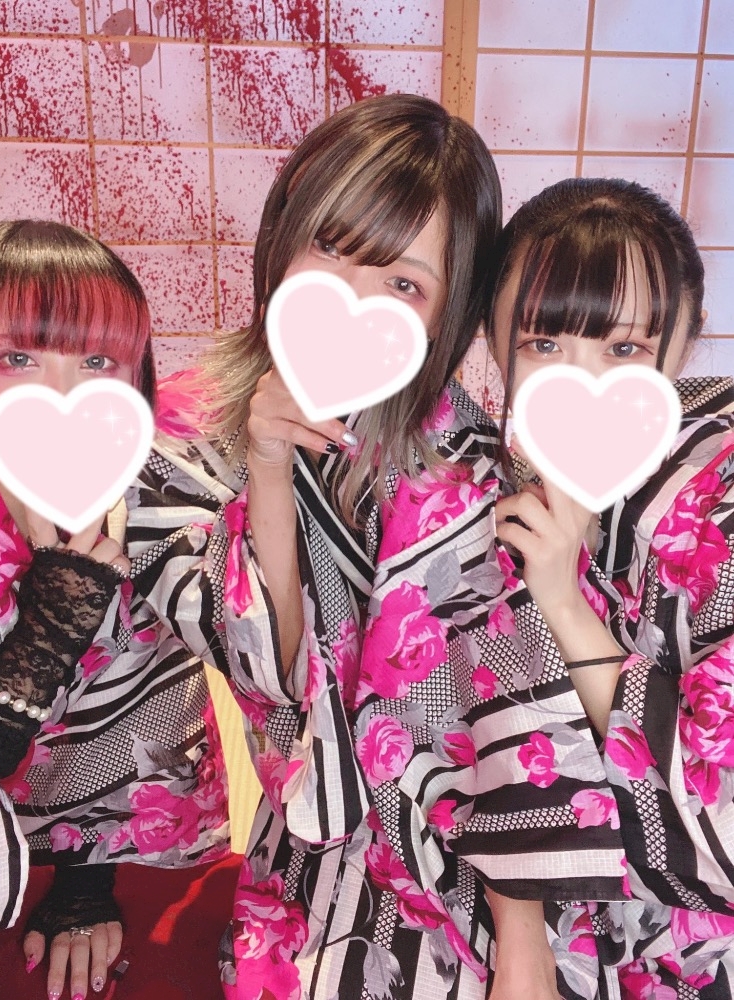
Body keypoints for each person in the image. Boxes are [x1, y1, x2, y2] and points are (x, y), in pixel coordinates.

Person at [127, 94, 629, 1000]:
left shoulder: (464, 460)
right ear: (282, 236)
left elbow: (511, 703)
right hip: (317, 840)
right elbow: (270, 678)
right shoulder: (183, 440)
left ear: (445, 314)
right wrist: (268, 467)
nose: (358, 302)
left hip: (478, 853)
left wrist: (523, 943)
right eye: (332, 248)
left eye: (404, 284)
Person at [486, 176, 734, 998]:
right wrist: (519, 930)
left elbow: (724, 826)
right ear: (493, 339)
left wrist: (562, 600)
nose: (581, 379)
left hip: (696, 940)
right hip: (540, 903)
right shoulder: (493, 485)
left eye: (624, 349)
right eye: (542, 344)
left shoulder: (722, 498)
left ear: (685, 343)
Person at [0, 220, 230, 1000]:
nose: (63, 395)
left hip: (96, 850)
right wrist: (47, 628)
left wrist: (87, 882)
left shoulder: (152, 486)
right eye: (16, 358)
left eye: (97, 363)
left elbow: (151, 708)